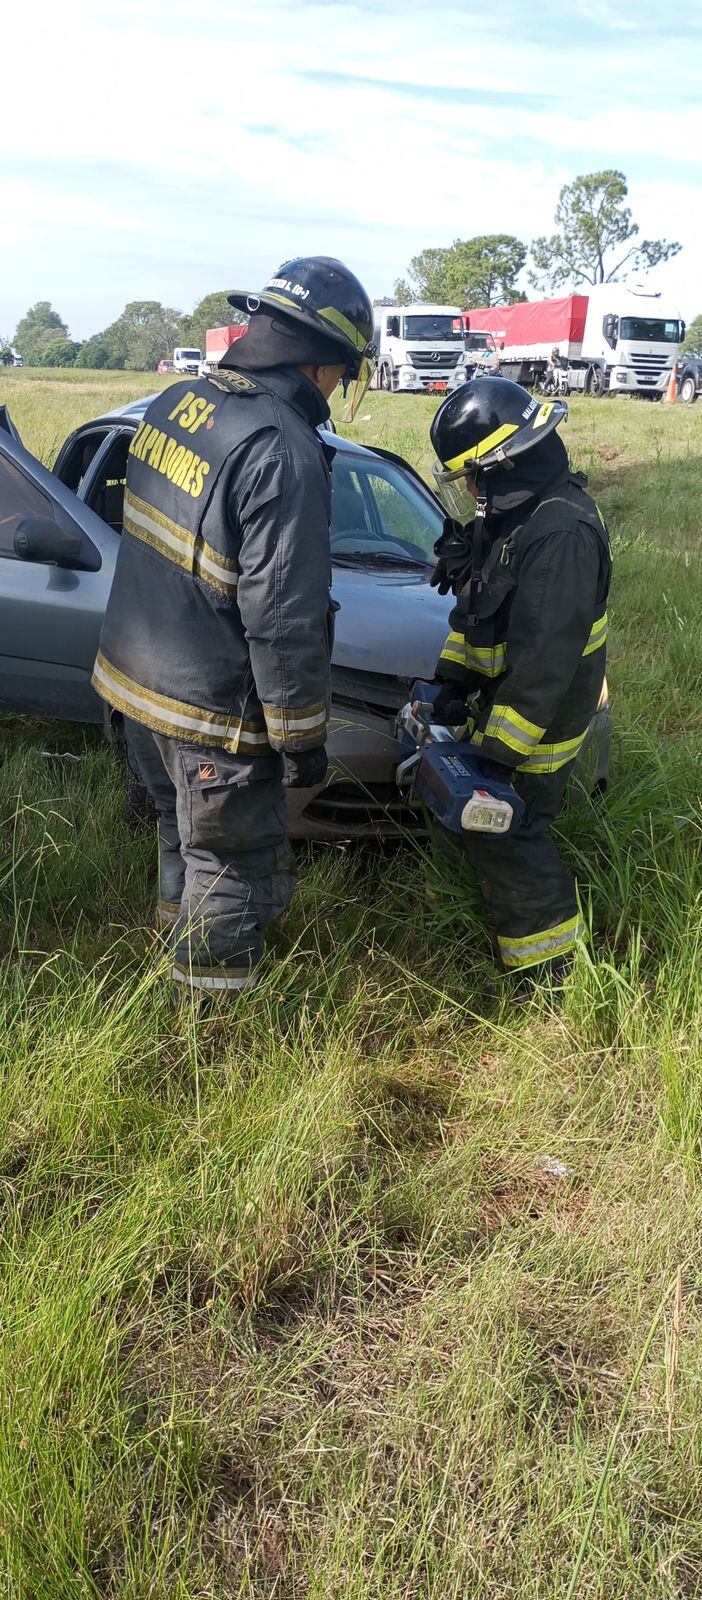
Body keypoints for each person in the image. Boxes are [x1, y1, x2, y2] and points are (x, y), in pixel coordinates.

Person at [92, 257, 375, 995]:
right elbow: (284, 619)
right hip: (210, 713)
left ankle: (173, 953)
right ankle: (212, 1028)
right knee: (231, 861)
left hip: (133, 685)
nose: (337, 389)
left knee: (179, 831)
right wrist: (301, 739)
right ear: (317, 360)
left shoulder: (178, 402)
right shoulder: (281, 448)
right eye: (342, 373)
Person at [429, 376, 611, 993]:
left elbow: (544, 662)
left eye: (475, 476)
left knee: (512, 827)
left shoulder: (561, 534)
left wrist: (500, 753)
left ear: (508, 462)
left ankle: (553, 972)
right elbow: (482, 615)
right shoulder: (519, 515)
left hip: (541, 718)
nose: (473, 491)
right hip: (511, 704)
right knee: (490, 827)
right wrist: (452, 680)